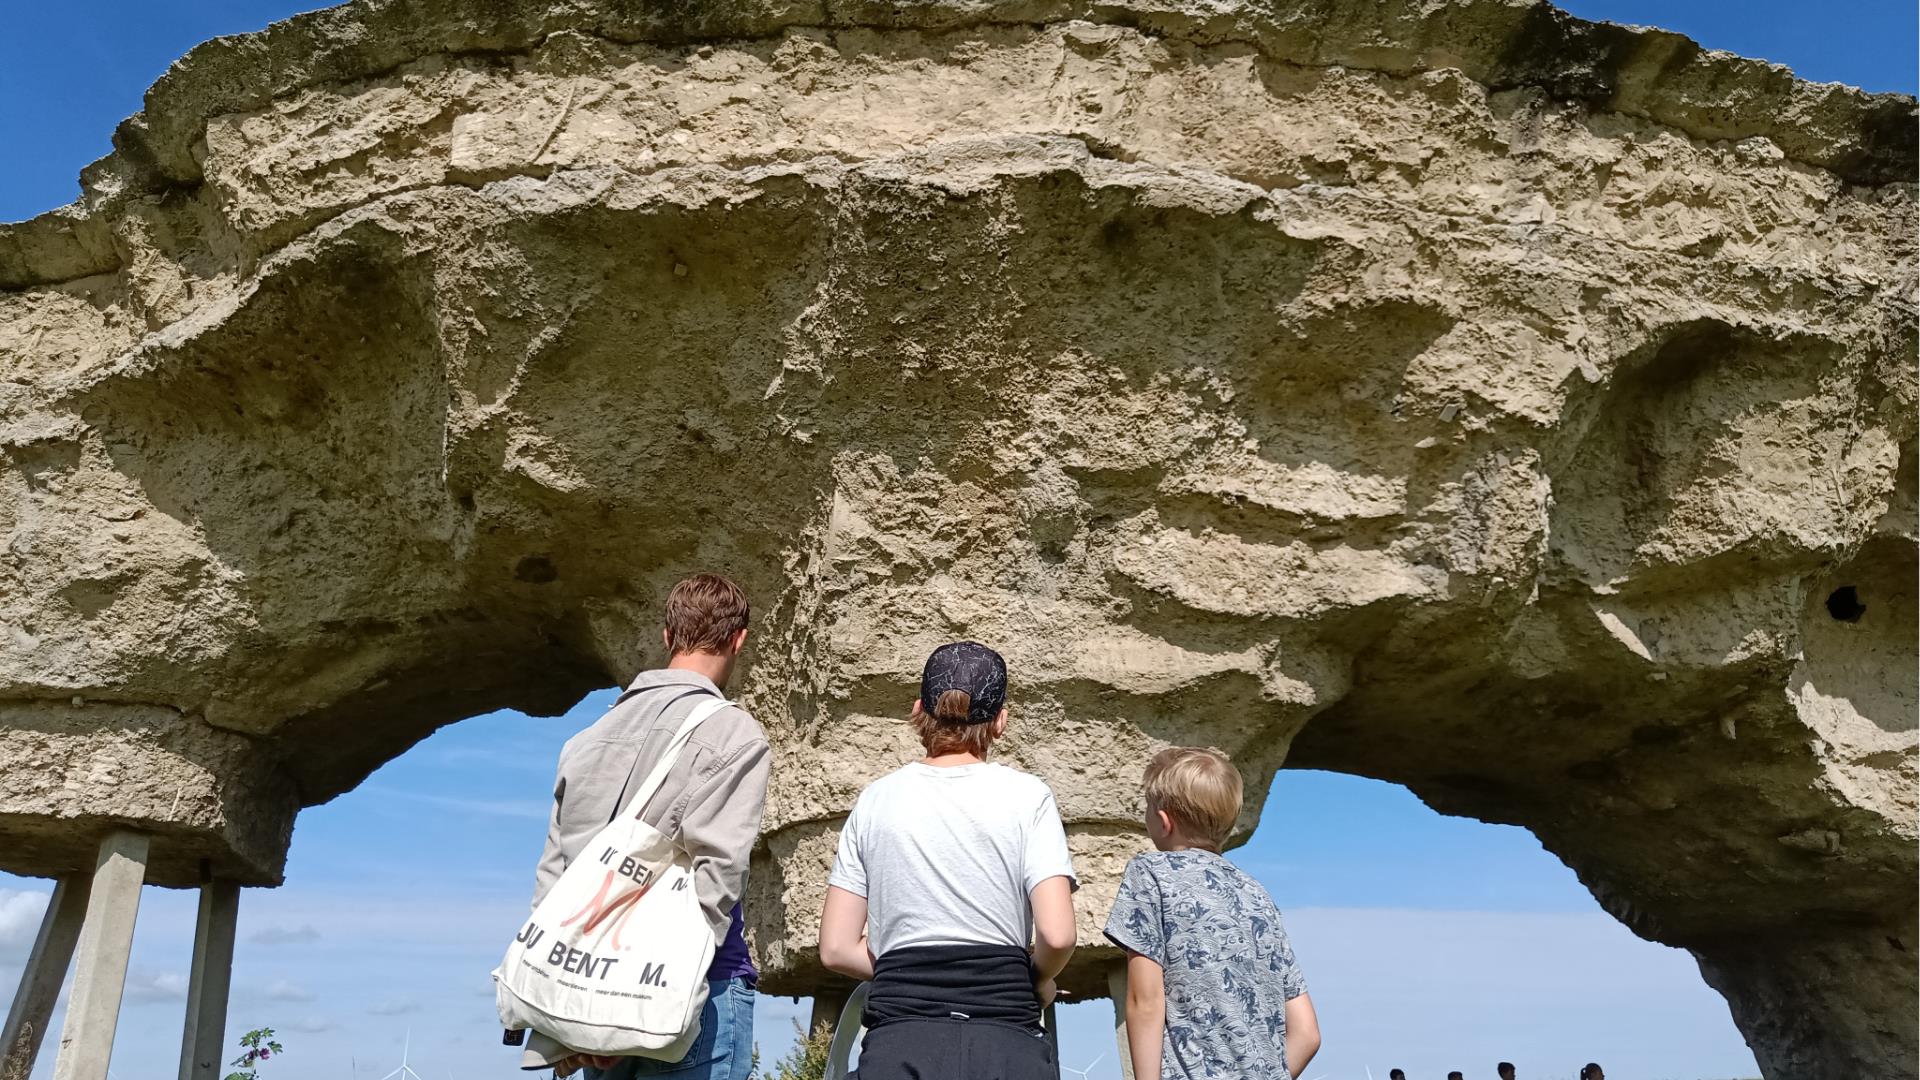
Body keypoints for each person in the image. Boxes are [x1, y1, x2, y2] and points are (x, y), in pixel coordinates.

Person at [524, 573, 771, 1079]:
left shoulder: (585, 742)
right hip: (688, 992)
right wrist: (645, 1005)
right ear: (739, 639)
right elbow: (719, 873)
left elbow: (554, 880)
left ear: (667, 635)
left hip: (590, 987)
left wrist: (586, 1013)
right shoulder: (734, 733)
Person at [818, 641, 1078, 1080]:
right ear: (1000, 722)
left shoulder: (876, 799)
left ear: (919, 709)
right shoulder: (1029, 796)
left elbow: (836, 947)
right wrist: (1032, 979)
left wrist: (910, 968)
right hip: (1006, 1043)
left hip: (899, 1042)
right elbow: (1058, 934)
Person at [1105, 747, 1321, 1080]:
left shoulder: (1150, 874)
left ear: (1163, 821)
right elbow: (1307, 1033)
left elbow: (1144, 1001)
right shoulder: (1257, 895)